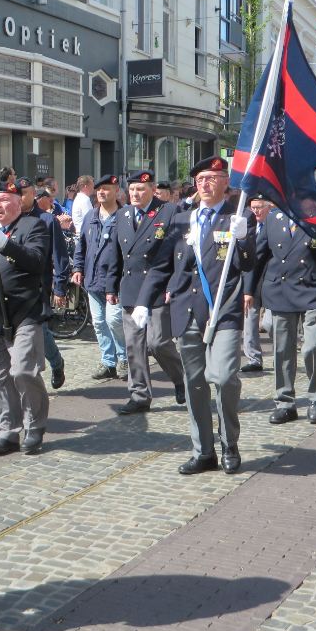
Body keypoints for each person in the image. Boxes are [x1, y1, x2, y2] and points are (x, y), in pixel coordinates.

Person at [135, 156, 256, 475]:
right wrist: (144, 302)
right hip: (187, 311)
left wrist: (242, 239)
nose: (206, 183)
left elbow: (248, 263)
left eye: (213, 177)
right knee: (195, 384)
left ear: (226, 182)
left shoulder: (237, 216)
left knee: (225, 376)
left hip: (223, 308)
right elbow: (161, 265)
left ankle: (229, 441)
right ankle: (203, 451)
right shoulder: (180, 219)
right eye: (201, 178)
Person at [0, 182, 50, 455]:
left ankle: (35, 424)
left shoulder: (33, 227)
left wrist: (7, 245)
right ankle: (7, 430)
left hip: (24, 312)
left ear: (19, 202)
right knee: (0, 376)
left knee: (23, 370)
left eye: (5, 200)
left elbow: (37, 261)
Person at [105, 170, 185, 414]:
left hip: (159, 289)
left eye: (141, 189)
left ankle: (182, 379)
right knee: (134, 346)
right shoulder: (123, 214)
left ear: (152, 189)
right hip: (130, 288)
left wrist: (174, 285)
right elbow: (116, 253)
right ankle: (139, 395)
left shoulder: (169, 211)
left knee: (158, 342)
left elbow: (178, 253)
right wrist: (111, 285)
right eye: (131, 190)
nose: (136, 194)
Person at [247, 208, 316, 424]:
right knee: (282, 348)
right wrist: (248, 290)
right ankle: (285, 402)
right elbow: (259, 255)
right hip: (280, 289)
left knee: (314, 346)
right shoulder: (272, 217)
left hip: (312, 288)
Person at [72, 174, 128, 380]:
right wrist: (78, 268)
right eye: (99, 189)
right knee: (99, 323)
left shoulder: (125, 216)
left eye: (107, 188)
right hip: (93, 279)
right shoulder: (91, 216)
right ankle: (108, 361)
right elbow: (82, 246)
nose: (102, 192)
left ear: (116, 191)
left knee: (114, 320)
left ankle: (124, 358)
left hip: (117, 281)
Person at [16, 177, 68, 390]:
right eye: (18, 193)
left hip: (39, 286)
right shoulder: (11, 218)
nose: (20, 198)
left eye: (25, 193)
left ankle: (55, 363)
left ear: (33, 195)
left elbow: (59, 256)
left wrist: (60, 286)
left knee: (41, 330)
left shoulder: (47, 220)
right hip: (13, 287)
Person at [241, 195, 274, 373]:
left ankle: (281, 352)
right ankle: (254, 358)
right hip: (251, 281)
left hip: (270, 282)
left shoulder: (275, 225)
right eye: (253, 207)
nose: (256, 211)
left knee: (270, 323)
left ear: (269, 207)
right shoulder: (246, 227)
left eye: (260, 207)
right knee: (250, 321)